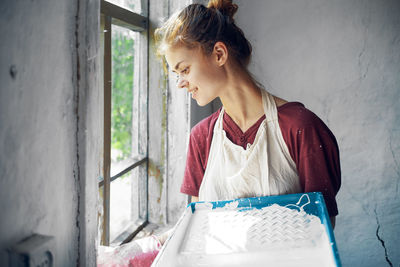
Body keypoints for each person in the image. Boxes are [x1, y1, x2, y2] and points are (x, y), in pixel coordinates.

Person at [155, 0, 341, 228]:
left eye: (184, 70)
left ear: (219, 54)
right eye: (177, 74)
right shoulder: (201, 137)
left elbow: (322, 230)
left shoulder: (301, 128)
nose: (180, 83)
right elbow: (197, 229)